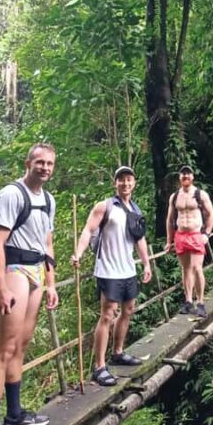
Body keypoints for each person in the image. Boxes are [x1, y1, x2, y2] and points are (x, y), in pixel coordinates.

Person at [0, 143, 58, 425]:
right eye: (39, 162)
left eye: (50, 163)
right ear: (28, 163)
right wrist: (0, 287)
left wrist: (51, 283)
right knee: (3, 350)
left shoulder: (48, 199)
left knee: (21, 345)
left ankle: (14, 416)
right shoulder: (12, 194)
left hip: (37, 269)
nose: (45, 167)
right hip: (14, 270)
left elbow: (47, 242)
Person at [71, 166, 152, 387]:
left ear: (134, 183)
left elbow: (140, 239)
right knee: (107, 315)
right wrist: (77, 253)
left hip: (128, 269)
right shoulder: (105, 206)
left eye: (129, 179)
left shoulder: (135, 209)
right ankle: (99, 366)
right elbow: (88, 230)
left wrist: (146, 263)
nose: (125, 183)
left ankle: (117, 352)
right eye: (121, 180)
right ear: (115, 183)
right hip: (108, 270)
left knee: (128, 310)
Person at [166, 165, 213, 318]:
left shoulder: (201, 194)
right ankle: (188, 301)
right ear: (179, 177)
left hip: (195, 235)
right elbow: (170, 219)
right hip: (180, 235)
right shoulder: (175, 196)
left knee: (197, 268)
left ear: (192, 177)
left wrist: (207, 233)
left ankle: (200, 302)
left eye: (188, 173)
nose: (185, 176)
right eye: (183, 174)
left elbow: (211, 214)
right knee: (185, 268)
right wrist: (169, 241)